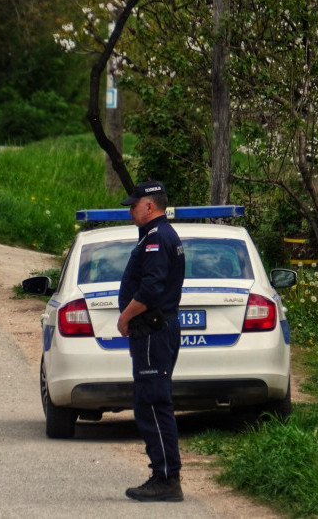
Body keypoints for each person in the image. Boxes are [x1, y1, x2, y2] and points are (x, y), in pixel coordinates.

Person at [116, 180, 186, 502]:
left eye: (134, 205)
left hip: (152, 331)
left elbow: (151, 290)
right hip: (157, 330)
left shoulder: (157, 239)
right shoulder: (158, 236)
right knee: (153, 403)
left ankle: (166, 479)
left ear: (149, 206)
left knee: (153, 406)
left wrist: (125, 316)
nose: (130, 211)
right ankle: (165, 474)